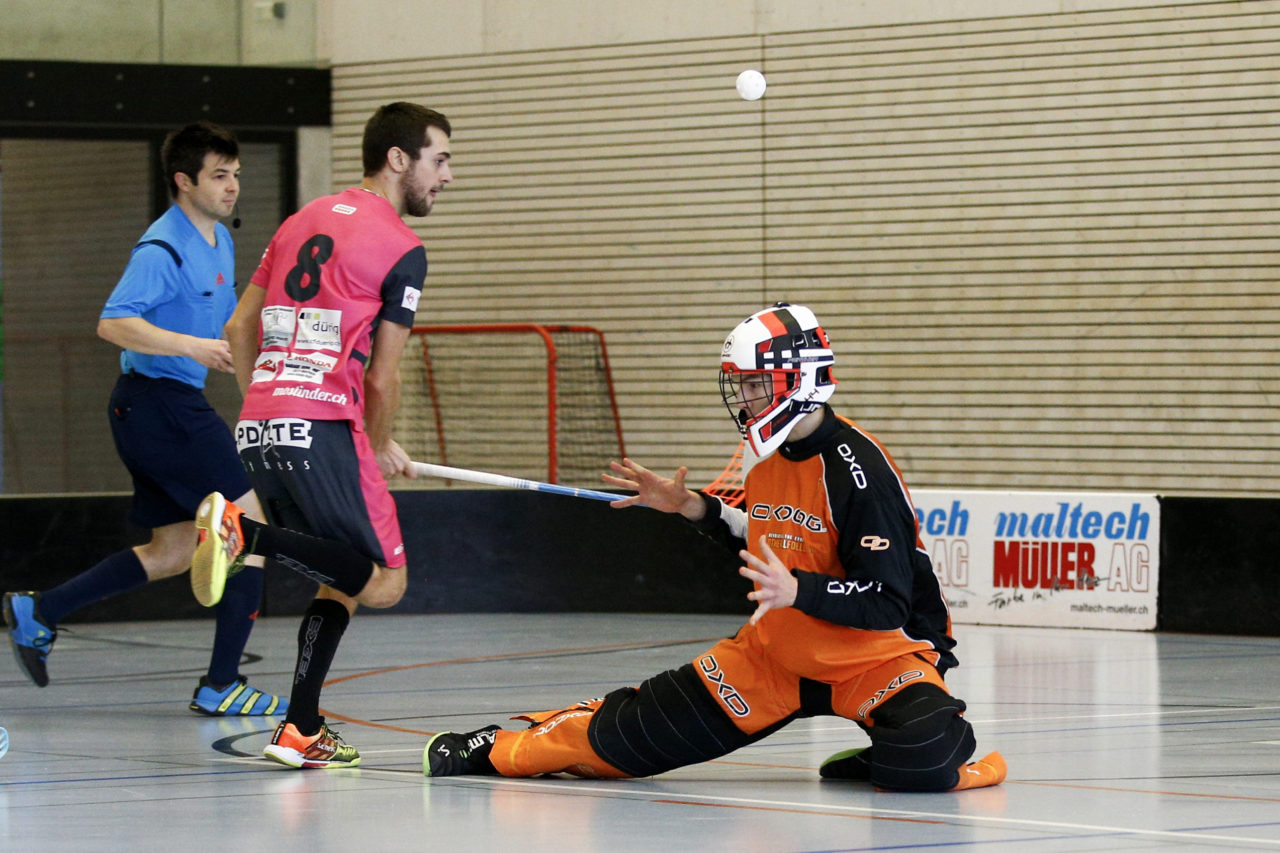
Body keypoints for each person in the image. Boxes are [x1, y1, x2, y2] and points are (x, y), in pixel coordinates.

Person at [422, 303, 1007, 792]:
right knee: (624, 742)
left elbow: (886, 601)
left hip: (878, 660)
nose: (746, 397)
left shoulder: (859, 473)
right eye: (743, 385)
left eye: (757, 383)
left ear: (800, 378)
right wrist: (693, 508)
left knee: (929, 757)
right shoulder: (769, 455)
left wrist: (799, 589)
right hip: (775, 656)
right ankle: (498, 746)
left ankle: (887, 757)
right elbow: (757, 535)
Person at [191, 102, 454, 770]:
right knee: (386, 583)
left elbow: (237, 328)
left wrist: (264, 401)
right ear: (399, 159)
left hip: (259, 420)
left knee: (340, 577)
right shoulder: (403, 248)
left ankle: (300, 726)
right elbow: (385, 377)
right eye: (440, 159)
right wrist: (377, 440)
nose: (446, 176)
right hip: (325, 425)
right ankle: (242, 534)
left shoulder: (299, 219)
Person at [2, 122, 286, 717]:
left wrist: (258, 383)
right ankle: (221, 684)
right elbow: (113, 323)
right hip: (158, 406)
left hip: (160, 408)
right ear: (184, 181)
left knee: (176, 547)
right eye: (219, 176)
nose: (233, 186)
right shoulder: (161, 248)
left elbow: (227, 329)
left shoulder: (219, 240)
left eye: (236, 174)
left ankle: (41, 610)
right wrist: (189, 346)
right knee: (252, 529)